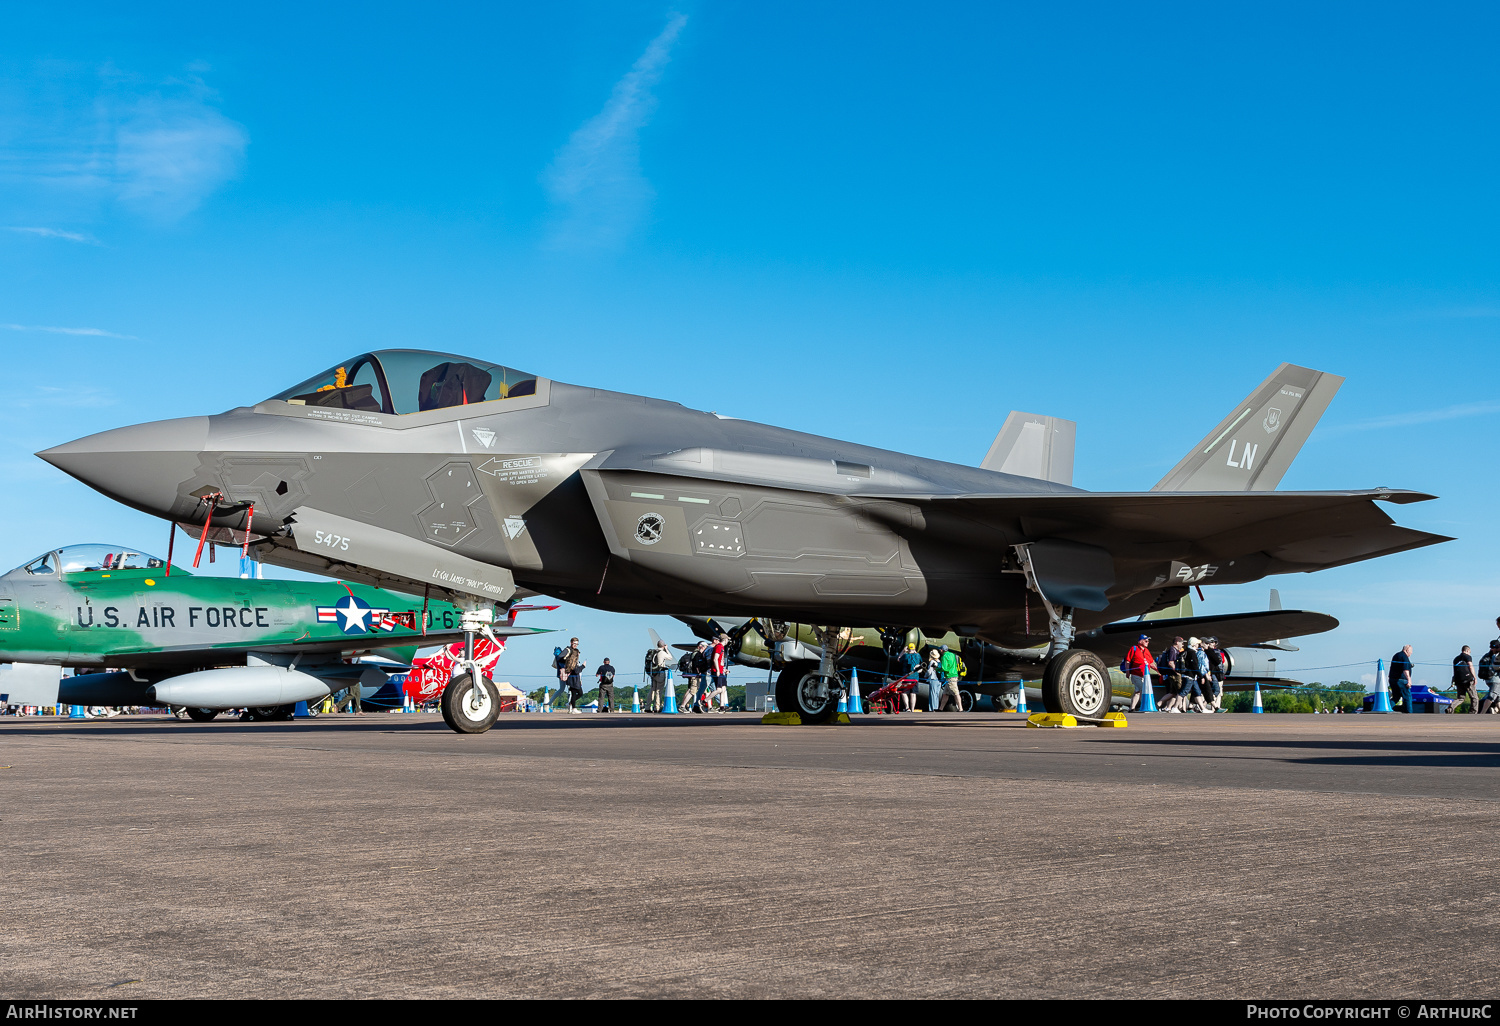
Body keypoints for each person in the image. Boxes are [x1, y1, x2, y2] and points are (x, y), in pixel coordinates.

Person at [1124, 633, 1157, 711]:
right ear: (1141, 641)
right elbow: (1127, 661)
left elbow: (1151, 663)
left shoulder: (1147, 651)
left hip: (1144, 676)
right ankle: (1145, 706)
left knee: (1137, 691)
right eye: (1146, 641)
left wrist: (1158, 670)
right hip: (1136, 674)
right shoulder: (1134, 648)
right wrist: (1127, 671)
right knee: (1144, 689)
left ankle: (1131, 708)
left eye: (1148, 641)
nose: (1147, 642)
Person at [1157, 637, 1187, 712]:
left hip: (1172, 674)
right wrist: (1177, 671)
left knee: (1173, 693)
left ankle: (1162, 705)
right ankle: (1177, 708)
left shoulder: (1174, 650)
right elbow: (1171, 662)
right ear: (1177, 642)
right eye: (1181, 643)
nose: (1182, 645)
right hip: (1175, 675)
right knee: (1181, 691)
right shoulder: (1173, 650)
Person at [562, 638, 586, 714]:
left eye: (577, 644)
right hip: (573, 679)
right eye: (574, 643)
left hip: (575, 679)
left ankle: (570, 705)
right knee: (575, 693)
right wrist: (583, 666)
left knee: (578, 693)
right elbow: (576, 670)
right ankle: (573, 708)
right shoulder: (572, 661)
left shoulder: (574, 660)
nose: (576, 645)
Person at [648, 639, 674, 712]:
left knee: (652, 690)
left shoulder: (654, 652)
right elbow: (670, 657)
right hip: (660, 672)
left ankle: (648, 706)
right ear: (663, 645)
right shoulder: (662, 652)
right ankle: (657, 707)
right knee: (659, 690)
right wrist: (666, 649)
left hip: (653, 673)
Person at [1389, 644, 1414, 713]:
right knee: (1407, 697)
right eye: (1411, 652)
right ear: (1407, 650)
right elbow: (1405, 670)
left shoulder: (1396, 655)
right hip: (1401, 680)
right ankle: (1409, 713)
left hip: (1392, 679)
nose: (1411, 654)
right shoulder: (1404, 657)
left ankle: (1387, 708)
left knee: (1396, 697)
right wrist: (1409, 680)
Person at [1452, 646, 1478, 713]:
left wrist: (1454, 680)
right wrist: (1474, 677)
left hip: (1459, 680)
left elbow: (1454, 671)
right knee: (1474, 697)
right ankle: (1473, 712)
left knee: (1460, 698)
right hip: (1468, 680)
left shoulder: (1456, 659)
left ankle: (1451, 707)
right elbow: (1470, 666)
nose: (1470, 653)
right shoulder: (1467, 657)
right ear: (1467, 650)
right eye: (1470, 652)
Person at [938, 644, 963, 712]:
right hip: (954, 674)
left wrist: (937, 669)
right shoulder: (952, 654)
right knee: (945, 694)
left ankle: (961, 709)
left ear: (941, 650)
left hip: (950, 677)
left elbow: (944, 668)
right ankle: (940, 708)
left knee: (956, 693)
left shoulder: (944, 656)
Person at [710, 634, 731, 712]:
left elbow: (719, 661)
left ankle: (722, 706)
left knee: (723, 689)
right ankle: (705, 700)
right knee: (719, 690)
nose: (728, 641)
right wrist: (718, 670)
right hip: (717, 671)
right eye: (727, 640)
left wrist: (724, 670)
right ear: (725, 640)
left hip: (721, 671)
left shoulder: (721, 647)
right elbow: (715, 659)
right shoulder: (719, 646)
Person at [1478, 641, 1500, 714]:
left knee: (1498, 698)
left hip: (1488, 679)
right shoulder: (1496, 656)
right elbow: (1497, 667)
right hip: (1495, 679)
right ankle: (1482, 713)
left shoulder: (1486, 655)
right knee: (1492, 696)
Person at [901, 642, 921, 712]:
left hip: (907, 677)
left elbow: (898, 659)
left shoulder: (905, 656)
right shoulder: (918, 655)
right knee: (913, 694)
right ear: (914, 648)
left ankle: (907, 707)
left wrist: (903, 651)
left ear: (908, 649)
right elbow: (920, 662)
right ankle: (912, 709)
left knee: (904, 693)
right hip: (915, 678)